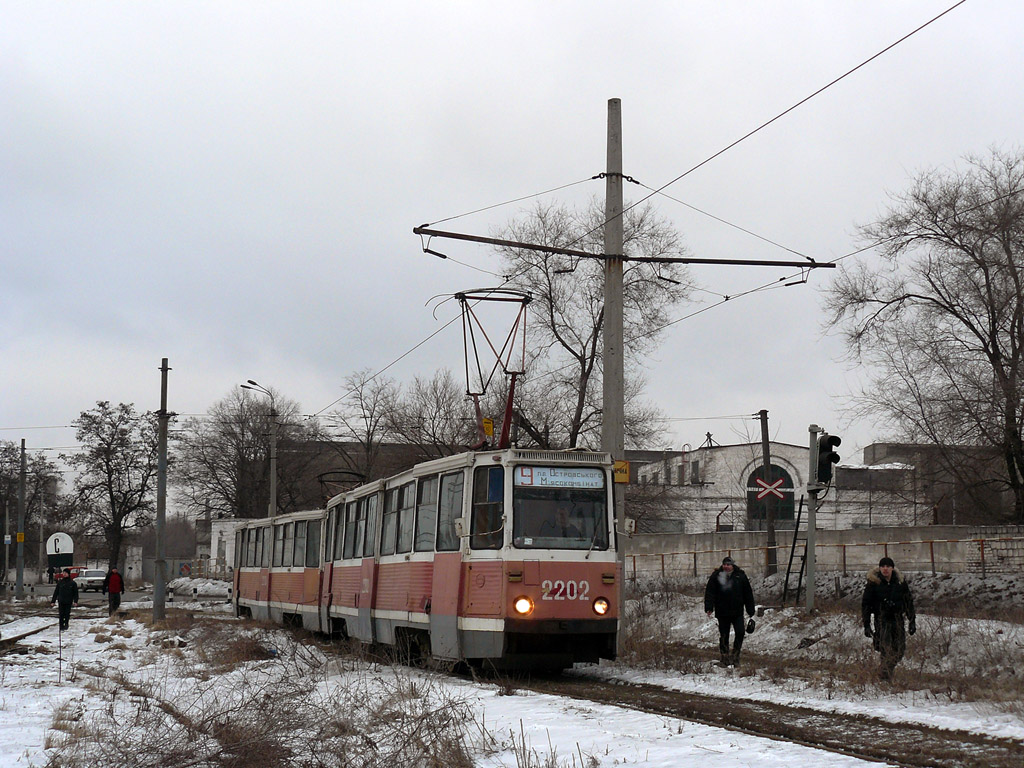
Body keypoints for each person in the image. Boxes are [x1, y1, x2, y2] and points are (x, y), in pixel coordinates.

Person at [862, 556, 916, 681]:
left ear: (892, 568)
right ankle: (885, 678)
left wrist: (912, 620)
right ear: (880, 568)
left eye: (888, 566)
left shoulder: (900, 583)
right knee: (886, 649)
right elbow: (866, 604)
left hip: (897, 619)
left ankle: (883, 672)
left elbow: (908, 601)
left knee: (899, 650)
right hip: (882, 620)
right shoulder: (874, 583)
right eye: (883, 566)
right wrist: (866, 624)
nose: (885, 569)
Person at [704, 556, 756, 667]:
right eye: (725, 564)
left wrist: (750, 609)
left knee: (740, 632)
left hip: (737, 611)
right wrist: (709, 607)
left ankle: (735, 656)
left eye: (728, 564)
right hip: (722, 611)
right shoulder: (716, 576)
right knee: (724, 635)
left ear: (732, 565)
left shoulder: (740, 576)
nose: (726, 567)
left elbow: (747, 593)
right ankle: (725, 658)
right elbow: (710, 592)